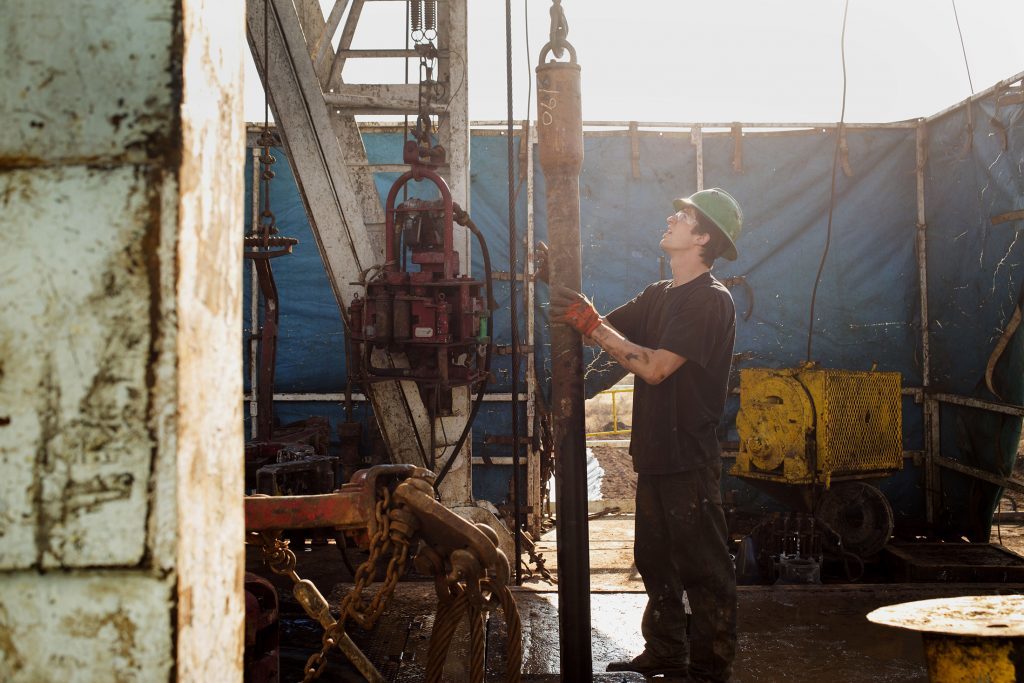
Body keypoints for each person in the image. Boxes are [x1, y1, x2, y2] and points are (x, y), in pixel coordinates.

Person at [549, 188, 743, 682]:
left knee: (703, 569)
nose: (670, 217)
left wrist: (591, 324)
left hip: (688, 458)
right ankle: (666, 651)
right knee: (655, 561)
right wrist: (560, 283)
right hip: (655, 454)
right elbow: (608, 332)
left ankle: (709, 669)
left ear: (702, 237)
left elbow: (654, 368)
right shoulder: (661, 295)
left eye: (682, 216)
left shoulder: (709, 302)